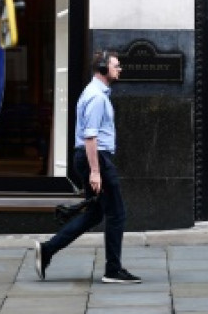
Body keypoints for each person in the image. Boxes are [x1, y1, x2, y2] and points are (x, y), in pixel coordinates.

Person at [33, 49, 140, 285]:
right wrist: (95, 171)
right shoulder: (97, 97)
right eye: (116, 65)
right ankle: (113, 270)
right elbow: (90, 137)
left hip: (92, 157)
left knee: (94, 214)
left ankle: (48, 250)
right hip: (95, 157)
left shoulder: (96, 93)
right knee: (117, 214)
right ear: (103, 69)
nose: (119, 69)